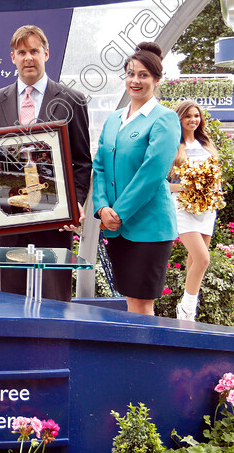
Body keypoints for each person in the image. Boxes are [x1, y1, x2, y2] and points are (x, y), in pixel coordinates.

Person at [0, 25, 91, 302]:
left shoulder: (73, 100)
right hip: (8, 219)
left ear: (46, 53)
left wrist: (76, 202)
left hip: (54, 219)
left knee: (55, 300)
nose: (28, 58)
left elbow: (82, 162)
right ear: (13, 57)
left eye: (34, 51)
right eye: (22, 52)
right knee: (10, 302)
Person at [92, 42, 181, 315]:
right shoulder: (114, 118)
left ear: (156, 79)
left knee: (142, 302)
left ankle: (144, 355)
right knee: (131, 299)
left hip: (148, 227)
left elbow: (151, 174)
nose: (135, 80)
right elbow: (100, 166)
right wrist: (101, 207)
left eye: (143, 75)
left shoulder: (164, 119)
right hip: (115, 224)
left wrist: (118, 212)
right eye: (130, 74)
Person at [168, 100, 221, 321]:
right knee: (203, 259)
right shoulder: (172, 146)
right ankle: (188, 309)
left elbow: (215, 177)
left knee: (194, 260)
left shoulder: (206, 145)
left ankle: (187, 308)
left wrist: (213, 190)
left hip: (207, 208)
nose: (193, 120)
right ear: (179, 118)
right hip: (182, 207)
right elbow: (161, 183)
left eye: (196, 116)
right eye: (187, 116)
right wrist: (185, 186)